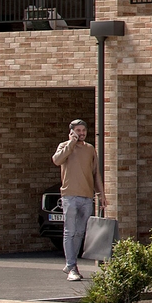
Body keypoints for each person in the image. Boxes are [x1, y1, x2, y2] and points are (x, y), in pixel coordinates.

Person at [51, 120, 101, 282]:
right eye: (78, 130)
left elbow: (95, 173)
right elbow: (57, 160)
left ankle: (71, 264)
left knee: (80, 232)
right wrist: (71, 143)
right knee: (69, 232)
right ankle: (71, 266)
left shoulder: (90, 149)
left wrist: (101, 194)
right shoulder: (64, 146)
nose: (81, 133)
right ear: (71, 132)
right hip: (69, 196)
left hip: (86, 196)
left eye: (83, 130)